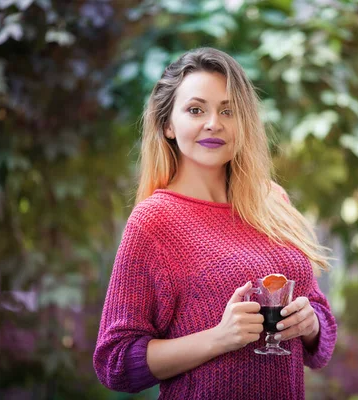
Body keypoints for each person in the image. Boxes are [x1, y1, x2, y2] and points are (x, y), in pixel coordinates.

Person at [93, 47, 337, 399]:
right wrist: (219, 338)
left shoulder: (272, 201)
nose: (214, 123)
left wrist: (310, 323)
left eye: (228, 110)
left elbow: (322, 329)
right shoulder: (153, 221)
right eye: (196, 110)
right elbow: (114, 362)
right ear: (168, 125)